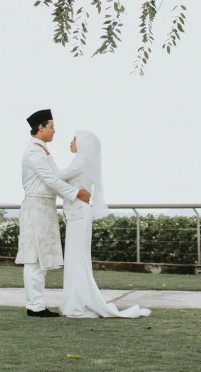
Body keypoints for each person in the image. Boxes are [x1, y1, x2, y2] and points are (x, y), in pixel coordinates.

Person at [59, 130, 151, 319]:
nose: (70, 142)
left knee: (77, 260)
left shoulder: (81, 161)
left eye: (74, 139)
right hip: (77, 214)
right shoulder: (83, 162)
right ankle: (77, 301)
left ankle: (78, 304)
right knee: (76, 260)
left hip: (79, 215)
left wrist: (45, 166)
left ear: (83, 143)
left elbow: (58, 178)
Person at [15, 109, 91, 317]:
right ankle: (35, 306)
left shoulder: (42, 151)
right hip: (36, 208)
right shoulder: (34, 152)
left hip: (45, 207)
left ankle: (36, 304)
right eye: (51, 126)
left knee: (41, 258)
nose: (54, 131)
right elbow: (51, 179)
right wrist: (76, 193)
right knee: (34, 257)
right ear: (40, 127)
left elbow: (58, 175)